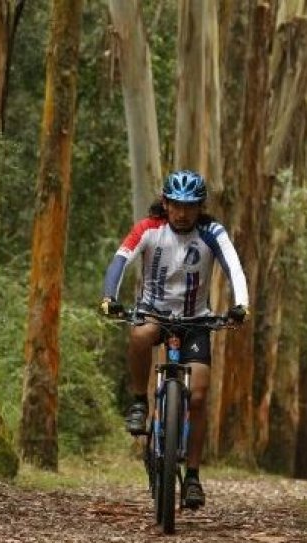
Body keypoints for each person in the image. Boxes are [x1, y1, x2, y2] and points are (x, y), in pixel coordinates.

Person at [100, 170, 250, 508]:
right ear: (165, 203)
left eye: (190, 206)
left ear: (200, 207)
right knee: (141, 334)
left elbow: (234, 267)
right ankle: (140, 401)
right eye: (176, 205)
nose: (182, 213)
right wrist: (109, 295)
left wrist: (241, 305)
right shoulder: (150, 229)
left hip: (197, 319)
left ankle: (193, 477)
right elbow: (121, 259)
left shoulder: (212, 232)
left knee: (198, 394)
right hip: (155, 311)